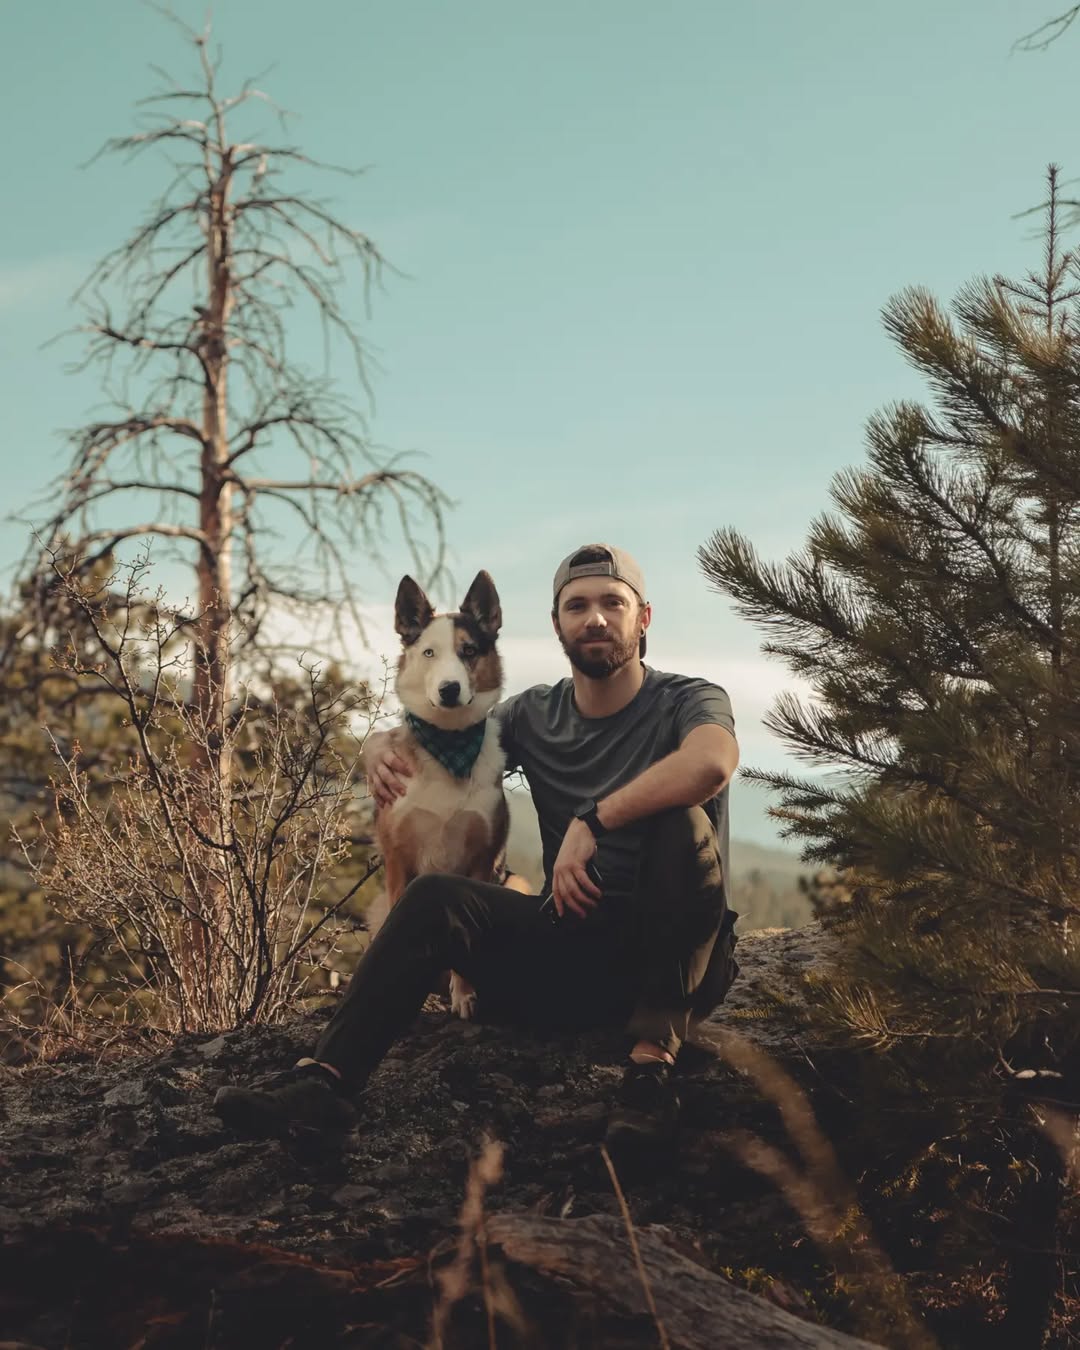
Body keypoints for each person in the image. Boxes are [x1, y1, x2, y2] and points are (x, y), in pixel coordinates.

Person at [214, 543, 740, 1154]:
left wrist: (593, 819)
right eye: (578, 605)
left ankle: (651, 1073)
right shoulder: (532, 716)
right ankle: (326, 1083)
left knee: (683, 827)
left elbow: (710, 765)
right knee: (434, 896)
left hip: (679, 959)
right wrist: (376, 747)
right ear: (556, 625)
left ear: (642, 618)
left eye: (612, 603)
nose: (595, 617)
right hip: (577, 952)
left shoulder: (689, 699)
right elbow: (444, 726)